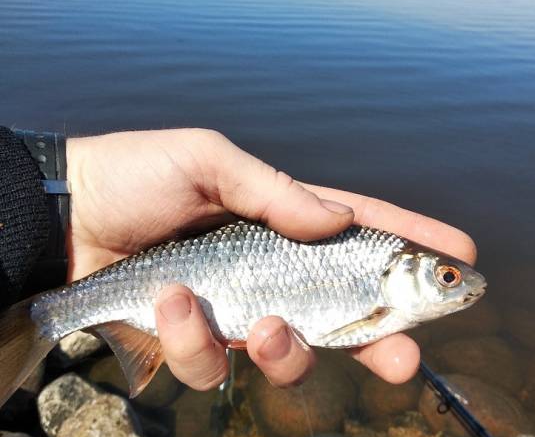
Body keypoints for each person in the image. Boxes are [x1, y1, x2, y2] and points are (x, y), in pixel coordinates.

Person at [0, 126, 476, 390]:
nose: (463, 287)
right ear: (403, 269)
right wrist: (59, 198)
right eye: (448, 276)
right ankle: (38, 317)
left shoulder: (378, 277)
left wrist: (62, 200)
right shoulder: (377, 279)